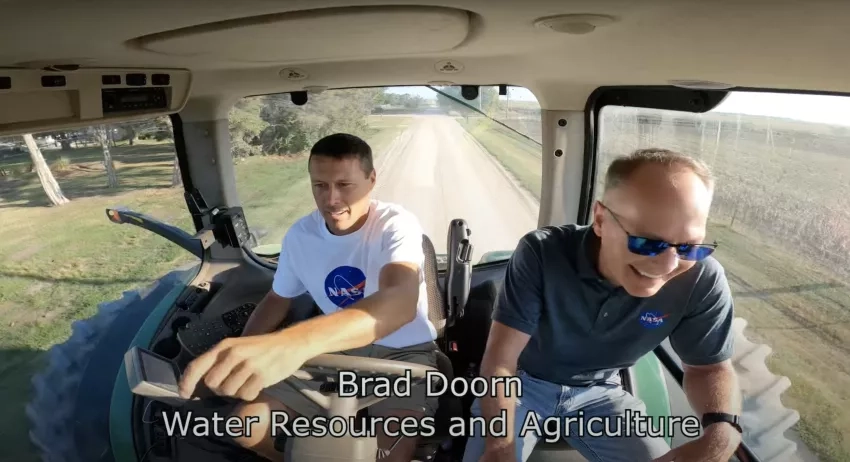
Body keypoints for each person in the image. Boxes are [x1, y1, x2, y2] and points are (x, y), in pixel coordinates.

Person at [462, 148, 743, 462]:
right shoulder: (542, 253)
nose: (667, 263)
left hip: (601, 391)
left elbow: (709, 368)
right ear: (600, 220)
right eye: (647, 242)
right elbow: (501, 361)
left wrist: (723, 428)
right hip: (523, 384)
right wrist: (500, 448)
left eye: (689, 246)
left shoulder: (701, 279)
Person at [178, 133, 439, 462]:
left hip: (402, 356)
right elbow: (277, 299)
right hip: (332, 352)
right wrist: (246, 352)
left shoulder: (395, 225)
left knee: (390, 454)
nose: (331, 199)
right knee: (246, 428)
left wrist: (293, 344)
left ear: (371, 180)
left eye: (345, 185)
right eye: (320, 186)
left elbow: (399, 301)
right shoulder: (301, 235)